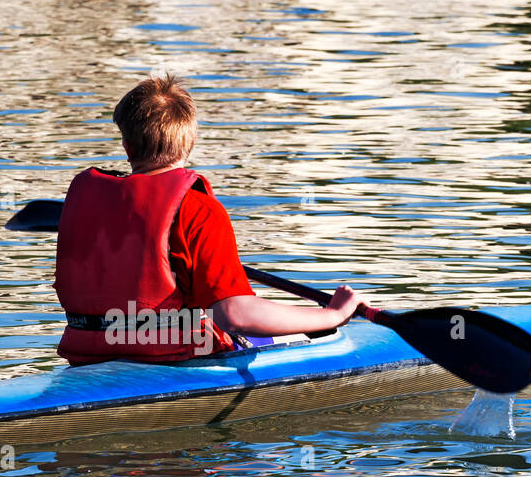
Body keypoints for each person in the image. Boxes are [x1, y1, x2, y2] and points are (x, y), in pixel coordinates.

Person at [54, 73, 359, 365]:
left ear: (127, 147)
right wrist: (331, 316)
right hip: (177, 355)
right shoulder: (198, 209)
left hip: (87, 353)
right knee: (271, 323)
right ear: (191, 141)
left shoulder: (83, 202)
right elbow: (235, 315)